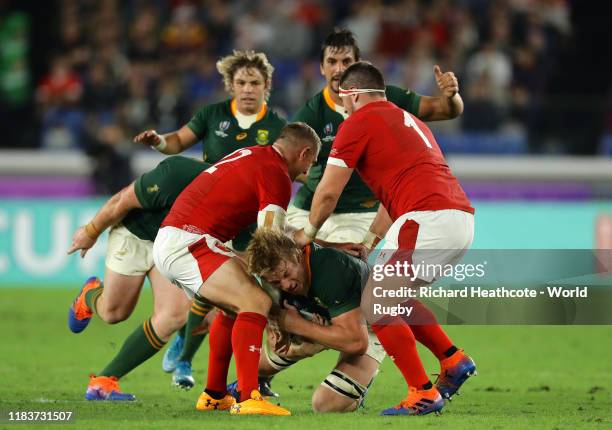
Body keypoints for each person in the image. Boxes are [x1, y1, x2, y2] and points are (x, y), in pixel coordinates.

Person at [293, 62, 476, 416]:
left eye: (344, 101)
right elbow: (394, 196)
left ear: (355, 95)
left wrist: (308, 233)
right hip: (455, 218)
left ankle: (422, 392)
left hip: (426, 218)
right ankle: (453, 360)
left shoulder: (358, 122)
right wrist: (369, 242)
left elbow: (328, 192)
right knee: (394, 298)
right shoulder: (410, 121)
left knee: (375, 303)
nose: (343, 109)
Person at [133, 49, 287, 388]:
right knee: (219, 298)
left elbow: (284, 171)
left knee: (242, 300)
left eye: (255, 83)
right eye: (242, 82)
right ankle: (188, 356)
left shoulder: (276, 126)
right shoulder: (212, 115)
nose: (248, 89)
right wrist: (159, 141)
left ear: (267, 86)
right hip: (210, 221)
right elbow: (177, 141)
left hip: (249, 225)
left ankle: (248, 376)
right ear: (231, 85)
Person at [152, 122, 320, 416]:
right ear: (304, 153)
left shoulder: (256, 155)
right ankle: (247, 396)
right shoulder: (276, 174)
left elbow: (272, 232)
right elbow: (270, 245)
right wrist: (279, 304)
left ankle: (215, 394)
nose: (308, 173)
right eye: (312, 163)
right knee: (255, 301)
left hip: (180, 238)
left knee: (234, 309)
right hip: (191, 241)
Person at [288, 28, 464, 244]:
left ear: (358, 64)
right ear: (322, 68)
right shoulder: (311, 114)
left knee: (342, 265)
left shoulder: (384, 97)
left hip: (362, 212)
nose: (339, 69)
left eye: (346, 61)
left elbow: (448, 110)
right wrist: (327, 179)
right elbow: (287, 165)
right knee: (284, 258)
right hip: (310, 207)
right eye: (332, 61)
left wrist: (451, 95)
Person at [67, 156, 214, 400]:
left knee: (174, 315)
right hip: (134, 235)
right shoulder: (177, 172)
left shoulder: (234, 196)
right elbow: (121, 200)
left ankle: (105, 381)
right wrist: (91, 232)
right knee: (114, 313)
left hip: (169, 248)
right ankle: (90, 293)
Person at [244, 228, 384, 413]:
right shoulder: (273, 281)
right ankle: (257, 383)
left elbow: (357, 342)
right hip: (327, 320)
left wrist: (299, 326)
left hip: (371, 326)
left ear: (297, 254)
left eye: (286, 274)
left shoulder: (330, 269)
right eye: (277, 282)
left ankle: (358, 392)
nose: (287, 285)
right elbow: (275, 341)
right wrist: (306, 346)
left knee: (325, 404)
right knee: (251, 366)